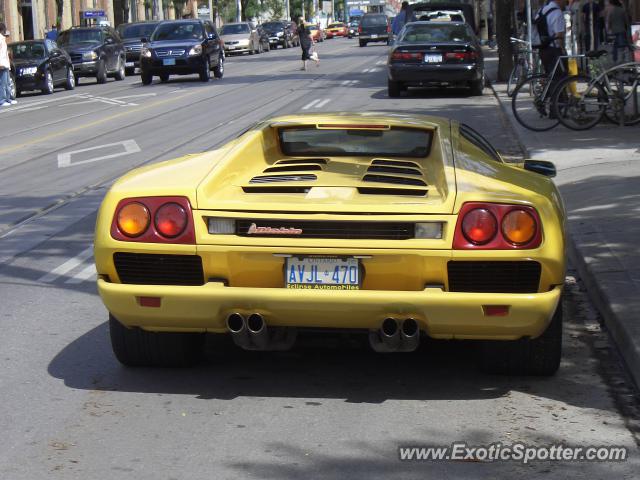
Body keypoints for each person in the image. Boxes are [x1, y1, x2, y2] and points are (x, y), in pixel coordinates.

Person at [0, 22, 16, 107]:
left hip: (5, 64)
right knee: (3, 83)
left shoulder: (3, 39)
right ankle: (2, 100)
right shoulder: (0, 39)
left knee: (7, 83)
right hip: (2, 64)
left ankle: (8, 98)